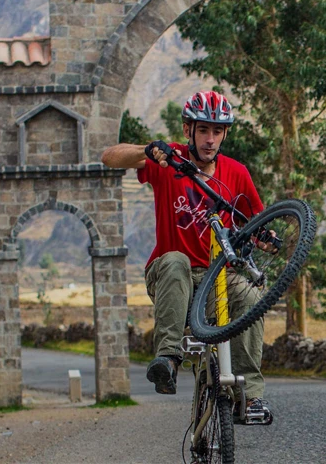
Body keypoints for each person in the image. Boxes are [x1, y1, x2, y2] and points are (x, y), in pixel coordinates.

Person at [101, 90, 272, 421]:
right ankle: (167, 360)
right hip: (170, 275)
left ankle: (249, 396)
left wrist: (268, 237)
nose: (210, 140)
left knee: (249, 293)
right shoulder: (169, 161)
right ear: (187, 130)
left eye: (217, 131)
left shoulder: (236, 173)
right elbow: (110, 156)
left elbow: (255, 222)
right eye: (203, 130)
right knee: (177, 259)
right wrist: (147, 150)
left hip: (217, 279)